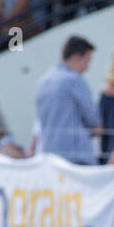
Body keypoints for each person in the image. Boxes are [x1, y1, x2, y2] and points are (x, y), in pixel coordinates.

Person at [33, 35, 101, 163]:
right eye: (87, 60)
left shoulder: (41, 83)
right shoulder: (74, 80)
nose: (87, 67)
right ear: (76, 57)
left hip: (48, 156)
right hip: (76, 158)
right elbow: (93, 120)